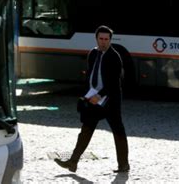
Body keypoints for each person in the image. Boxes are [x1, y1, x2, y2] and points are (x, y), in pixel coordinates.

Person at [54, 25, 130, 173]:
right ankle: (73, 162)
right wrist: (86, 95)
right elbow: (89, 76)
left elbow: (114, 82)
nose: (103, 42)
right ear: (96, 39)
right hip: (93, 97)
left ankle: (124, 165)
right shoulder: (93, 53)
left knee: (118, 131)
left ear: (110, 40)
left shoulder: (115, 57)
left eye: (106, 39)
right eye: (101, 39)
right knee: (86, 129)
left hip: (110, 101)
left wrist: (100, 95)